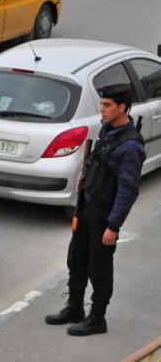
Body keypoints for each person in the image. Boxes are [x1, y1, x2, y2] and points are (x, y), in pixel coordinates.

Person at [45, 83, 146, 336]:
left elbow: (128, 190)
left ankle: (97, 318)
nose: (102, 109)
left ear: (122, 107)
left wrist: (113, 226)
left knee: (99, 267)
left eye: (107, 105)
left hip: (103, 214)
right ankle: (74, 307)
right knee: (76, 258)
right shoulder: (107, 129)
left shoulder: (131, 146)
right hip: (87, 206)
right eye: (102, 104)